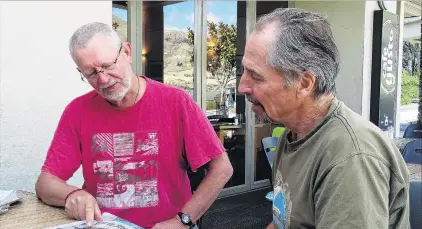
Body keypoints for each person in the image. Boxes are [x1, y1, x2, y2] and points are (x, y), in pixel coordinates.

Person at [35, 22, 233, 229]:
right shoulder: (77, 112)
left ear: (127, 52)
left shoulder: (176, 102)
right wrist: (72, 194)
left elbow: (222, 169)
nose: (103, 79)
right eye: (91, 74)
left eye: (108, 66)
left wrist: (182, 220)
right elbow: (45, 184)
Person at [238, 8, 410, 229]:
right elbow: (284, 221)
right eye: (244, 71)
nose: (242, 86)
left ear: (304, 84)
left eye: (256, 76)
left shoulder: (351, 158)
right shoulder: (293, 135)